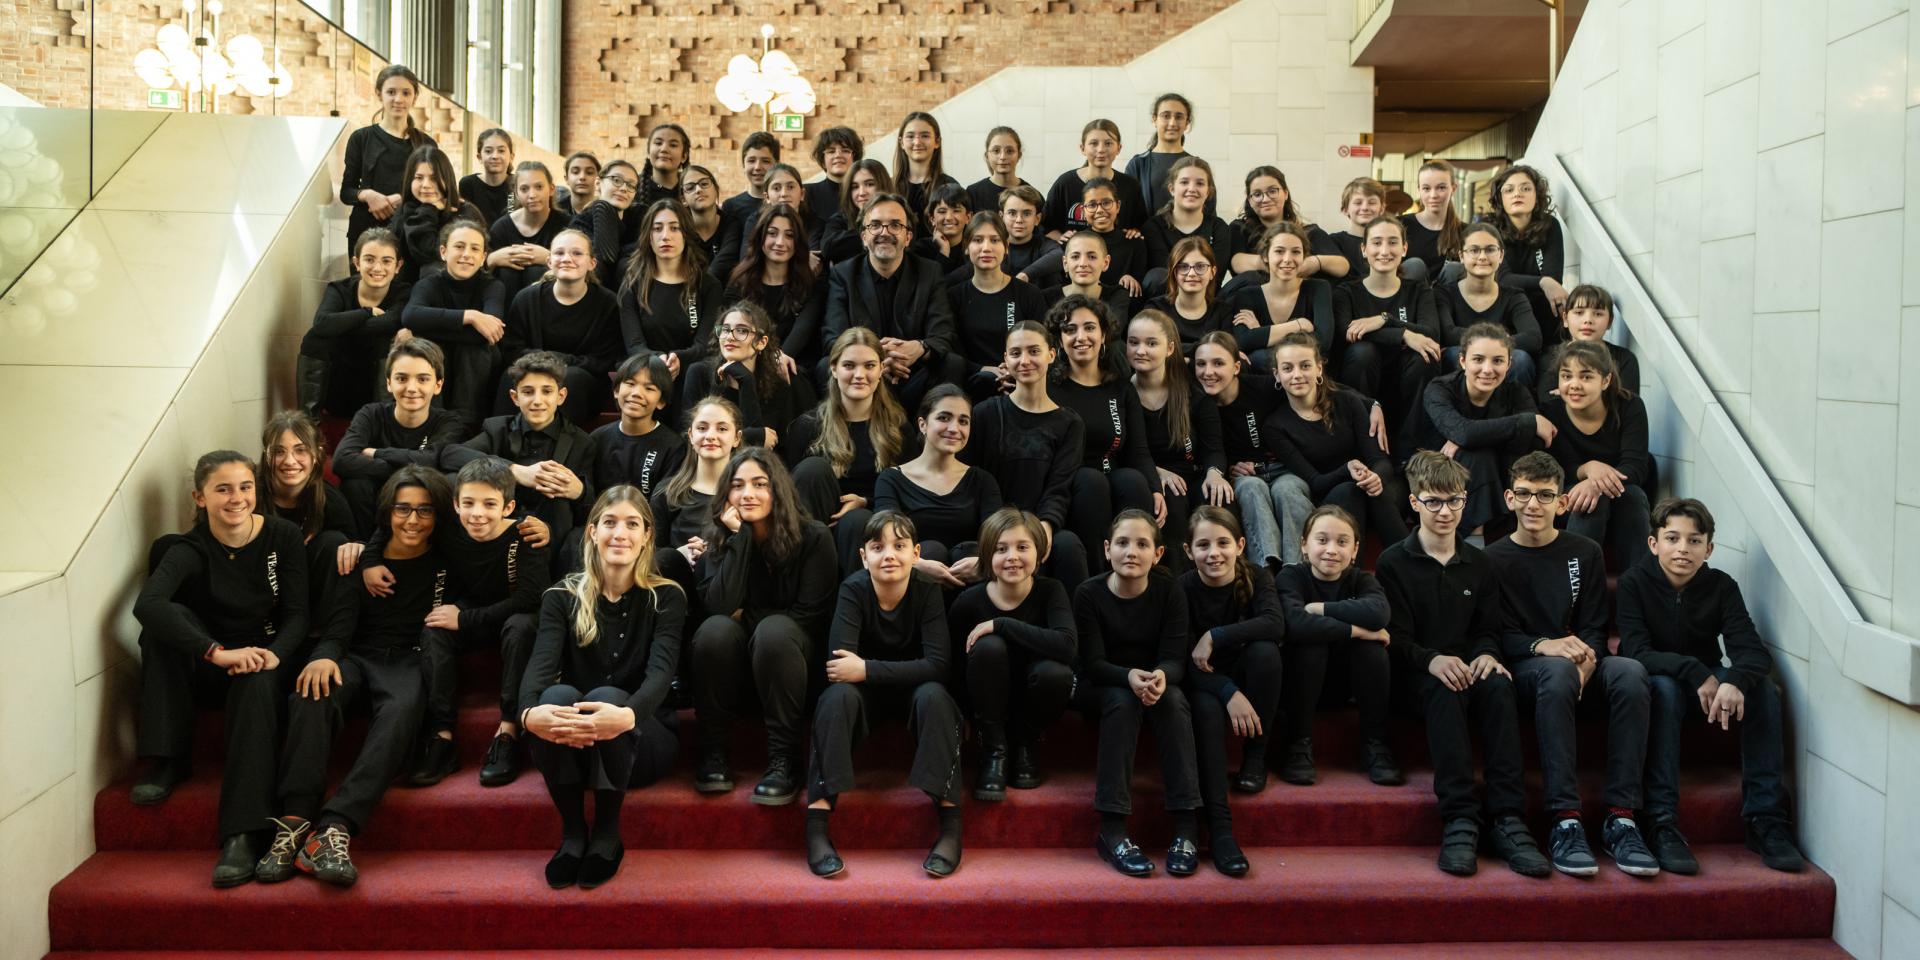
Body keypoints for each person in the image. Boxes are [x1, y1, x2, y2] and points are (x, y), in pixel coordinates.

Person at [260, 466, 453, 888]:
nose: (413, 520)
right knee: (311, 691)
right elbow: (340, 624)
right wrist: (324, 655)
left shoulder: (446, 559)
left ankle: (334, 829)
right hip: (356, 654)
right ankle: (293, 821)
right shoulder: (359, 561)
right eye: (403, 509)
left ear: (439, 516)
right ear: (386, 512)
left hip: (408, 659)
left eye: (425, 510)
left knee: (403, 709)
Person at [132, 451, 309, 887]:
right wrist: (214, 651)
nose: (237, 498)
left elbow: (299, 615)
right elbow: (148, 604)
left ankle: (243, 833)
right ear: (200, 496)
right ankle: (168, 758)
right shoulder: (189, 548)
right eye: (223, 489)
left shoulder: (282, 537)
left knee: (255, 681)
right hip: (212, 663)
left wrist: (275, 654)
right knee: (161, 629)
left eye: (245, 487)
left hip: (265, 661)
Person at [1486, 451, 1658, 878]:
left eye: (1545, 495)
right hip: (1526, 667)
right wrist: (1545, 644)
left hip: (1576, 663)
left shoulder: (1585, 551)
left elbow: (1596, 626)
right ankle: (1565, 818)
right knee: (1559, 670)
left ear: (1562, 504)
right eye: (1524, 494)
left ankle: (1621, 817)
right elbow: (1496, 636)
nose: (1533, 504)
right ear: (1509, 498)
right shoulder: (1490, 560)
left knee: (1632, 672)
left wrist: (1590, 659)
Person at [1375, 451, 1547, 878]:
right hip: (1418, 677)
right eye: (1433, 501)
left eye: (1454, 501)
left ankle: (1508, 819)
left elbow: (1488, 629)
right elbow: (1393, 638)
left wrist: (1487, 654)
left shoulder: (1481, 564)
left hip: (1468, 667)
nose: (1445, 511)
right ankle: (1461, 819)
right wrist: (1432, 661)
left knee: (1499, 685)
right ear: (1414, 502)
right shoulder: (1393, 562)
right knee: (1444, 688)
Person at [1618, 497, 1805, 875]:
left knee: (1765, 691)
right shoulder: (1633, 583)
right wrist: (1693, 670)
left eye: (1694, 540)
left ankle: (1764, 819)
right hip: (1660, 680)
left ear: (1709, 548)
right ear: (1654, 544)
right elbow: (1636, 651)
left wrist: (1734, 678)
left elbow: (1752, 652)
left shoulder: (1721, 586)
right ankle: (1661, 820)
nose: (1683, 549)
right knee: (1666, 691)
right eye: (1672, 538)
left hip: (1705, 683)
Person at [520, 486, 686, 889]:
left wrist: (626, 716)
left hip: (644, 738)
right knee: (555, 698)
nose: (620, 534)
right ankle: (574, 833)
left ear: (647, 535)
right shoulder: (561, 597)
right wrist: (527, 714)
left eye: (632, 524)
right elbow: (539, 670)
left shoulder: (666, 597)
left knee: (607, 699)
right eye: (610, 523)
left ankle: (607, 835)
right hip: (578, 744)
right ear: (592, 532)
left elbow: (660, 676)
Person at [355, 458, 550, 790]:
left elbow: (529, 600)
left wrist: (465, 618)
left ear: (509, 507)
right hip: (473, 610)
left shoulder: (525, 535)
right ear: (456, 504)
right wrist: (369, 560)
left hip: (517, 615)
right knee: (434, 629)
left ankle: (508, 732)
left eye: (490, 504)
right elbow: (389, 525)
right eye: (469, 503)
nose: (477, 513)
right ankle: (442, 735)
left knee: (519, 627)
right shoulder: (450, 528)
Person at [803, 511, 966, 878]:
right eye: (877, 547)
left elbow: (938, 665)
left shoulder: (926, 591)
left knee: (937, 697)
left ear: (916, 552)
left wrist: (867, 669)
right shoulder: (853, 589)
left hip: (914, 694)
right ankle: (817, 826)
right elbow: (838, 668)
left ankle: (950, 828)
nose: (888, 554)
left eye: (899, 546)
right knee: (834, 699)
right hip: (864, 698)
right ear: (864, 556)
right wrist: (868, 672)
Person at [689, 449, 839, 804]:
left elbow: (810, 616)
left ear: (779, 490)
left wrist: (750, 616)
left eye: (760, 484)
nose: (748, 495)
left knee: (775, 631)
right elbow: (721, 608)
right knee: (714, 632)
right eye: (737, 486)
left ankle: (784, 759)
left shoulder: (814, 537)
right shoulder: (722, 538)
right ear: (726, 495)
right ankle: (713, 753)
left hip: (793, 668)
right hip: (738, 674)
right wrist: (739, 539)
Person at [1073, 510, 1202, 877]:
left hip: (1152, 684)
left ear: (1158, 554)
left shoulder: (1169, 590)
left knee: (1175, 698)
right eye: (1123, 543)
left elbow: (1175, 658)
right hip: (1101, 687)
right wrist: (1129, 676)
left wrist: (1160, 675)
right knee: (1121, 699)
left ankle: (1186, 827)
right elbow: (1093, 663)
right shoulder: (1089, 593)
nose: (1132, 551)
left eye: (1142, 544)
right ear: (1107, 549)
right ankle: (1112, 829)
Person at [1179, 506, 1282, 877]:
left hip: (1245, 671)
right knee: (1205, 709)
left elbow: (1274, 624)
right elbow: (1183, 664)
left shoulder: (1256, 576)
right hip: (1203, 683)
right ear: (1188, 551)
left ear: (1240, 545)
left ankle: (1256, 756)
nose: (1214, 553)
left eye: (1223, 543)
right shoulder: (1182, 588)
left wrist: (1215, 635)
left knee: (1266, 653)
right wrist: (1228, 691)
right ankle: (1221, 831)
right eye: (1203, 545)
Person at [947, 508, 1075, 798]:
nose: (1012, 557)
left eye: (1022, 547)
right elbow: (953, 666)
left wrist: (1002, 624)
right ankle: (994, 751)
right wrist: (961, 715)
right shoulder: (968, 602)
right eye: (1001, 549)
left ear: (1039, 552)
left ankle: (1025, 746)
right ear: (987, 557)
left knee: (1055, 673)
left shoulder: (1051, 591)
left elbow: (1067, 647)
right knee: (989, 646)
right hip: (986, 702)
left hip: (1034, 697)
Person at [1275, 505, 1399, 786]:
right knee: (1310, 644)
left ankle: (1375, 745)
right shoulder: (1290, 577)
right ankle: (1298, 744)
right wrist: (1357, 630)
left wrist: (1319, 608)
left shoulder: (1361, 579)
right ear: (1304, 545)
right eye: (1322, 540)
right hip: (1300, 685)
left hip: (1347, 685)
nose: (1331, 549)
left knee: (1372, 651)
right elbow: (1294, 624)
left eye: (1342, 542)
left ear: (1355, 550)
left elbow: (1379, 614)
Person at [962, 323, 1091, 586]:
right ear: (1005, 359)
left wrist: (1043, 530)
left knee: (1067, 545)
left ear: (1051, 355)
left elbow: (1059, 488)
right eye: (1016, 353)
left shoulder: (1069, 423)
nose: (1025, 361)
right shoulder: (984, 413)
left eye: (1034, 351)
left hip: (1037, 524)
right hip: (990, 524)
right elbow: (969, 479)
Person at [785, 327, 919, 572]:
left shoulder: (898, 428)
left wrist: (866, 502)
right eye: (849, 366)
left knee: (858, 521)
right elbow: (789, 493)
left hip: (870, 535)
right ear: (834, 369)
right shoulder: (807, 427)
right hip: (815, 527)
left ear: (881, 370)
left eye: (869, 366)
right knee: (812, 469)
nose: (860, 375)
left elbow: (909, 493)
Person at [818, 192, 959, 411]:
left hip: (913, 373)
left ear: (908, 237)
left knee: (952, 364)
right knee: (823, 367)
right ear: (864, 236)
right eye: (875, 225)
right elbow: (832, 336)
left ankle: (926, 437)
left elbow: (943, 332)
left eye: (895, 225)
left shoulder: (929, 272)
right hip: (863, 372)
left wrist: (920, 347)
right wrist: (877, 358)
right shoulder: (844, 274)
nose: (885, 233)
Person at [443, 351, 598, 549]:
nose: (537, 401)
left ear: (561, 396)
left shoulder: (582, 442)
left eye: (547, 391)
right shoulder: (497, 429)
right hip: (496, 523)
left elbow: (589, 509)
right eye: (528, 392)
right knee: (451, 479)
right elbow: (450, 454)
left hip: (548, 535)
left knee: (560, 501)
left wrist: (581, 492)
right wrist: (515, 471)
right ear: (515, 397)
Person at [1409, 323, 1551, 537]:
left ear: (1509, 364)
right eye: (1478, 359)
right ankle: (1483, 542)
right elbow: (1465, 433)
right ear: (1462, 361)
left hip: (1493, 472)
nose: (1487, 369)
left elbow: (1534, 443)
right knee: (1480, 456)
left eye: (1498, 361)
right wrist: (1524, 421)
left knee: (1499, 458)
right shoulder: (1439, 389)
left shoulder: (1516, 392)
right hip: (1434, 469)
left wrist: (1471, 436)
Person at [1048, 295, 1161, 564]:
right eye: (1069, 329)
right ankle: (1099, 575)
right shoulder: (1048, 388)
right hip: (1073, 482)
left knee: (1133, 480)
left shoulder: (1121, 389)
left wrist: (1155, 488)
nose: (1080, 337)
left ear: (1103, 334)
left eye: (1089, 327)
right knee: (1092, 482)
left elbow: (1138, 450)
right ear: (1059, 340)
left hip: (1112, 474)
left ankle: (1140, 575)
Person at [1260, 332, 1401, 546]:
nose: (1297, 374)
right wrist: (1348, 469)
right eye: (1287, 368)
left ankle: (1410, 567)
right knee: (1349, 491)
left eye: (1305, 366)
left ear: (1319, 368)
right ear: (1277, 375)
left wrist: (1375, 477)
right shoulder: (1275, 426)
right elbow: (1315, 482)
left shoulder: (1347, 402)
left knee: (1376, 491)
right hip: (1331, 494)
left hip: (1370, 488)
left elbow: (1380, 460)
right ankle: (1354, 572)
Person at [332, 338, 466, 530]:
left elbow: (433, 460)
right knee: (355, 484)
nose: (411, 388)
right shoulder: (371, 414)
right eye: (402, 378)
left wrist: (378, 453)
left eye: (423, 379)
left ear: (438, 385)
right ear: (388, 383)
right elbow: (342, 460)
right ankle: (364, 547)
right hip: (377, 499)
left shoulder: (448, 422)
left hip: (423, 499)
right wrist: (414, 468)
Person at [1128, 309, 1231, 558]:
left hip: (1194, 475)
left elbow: (1214, 448)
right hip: (1156, 478)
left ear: (1170, 348)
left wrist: (1215, 474)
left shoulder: (1192, 392)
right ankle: (1177, 580)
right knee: (1170, 501)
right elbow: (1129, 450)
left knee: (1219, 498)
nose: (1141, 350)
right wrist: (1156, 473)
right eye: (1134, 343)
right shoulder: (1123, 394)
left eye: (1151, 343)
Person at [874, 385, 1003, 586]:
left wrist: (984, 564)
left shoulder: (982, 480)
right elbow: (886, 540)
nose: (954, 428)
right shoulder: (891, 479)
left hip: (971, 585)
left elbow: (998, 539)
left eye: (963, 421)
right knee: (932, 550)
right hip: (912, 582)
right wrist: (916, 565)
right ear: (922, 424)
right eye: (944, 418)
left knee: (972, 550)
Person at [1540, 340, 1651, 569]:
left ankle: (1637, 585)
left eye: (1586, 377)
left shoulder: (1630, 406)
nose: (1574, 385)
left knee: (1633, 495)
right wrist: (1587, 469)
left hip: (1620, 494)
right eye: (1566, 376)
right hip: (1567, 499)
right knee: (1590, 500)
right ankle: (1577, 586)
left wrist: (1596, 484)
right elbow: (1553, 470)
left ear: (1606, 381)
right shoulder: (1550, 411)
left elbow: (1636, 466)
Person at [1333, 216, 1443, 447]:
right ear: (1364, 249)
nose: (1385, 250)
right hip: (1362, 381)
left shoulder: (1419, 290)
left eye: (1393, 242)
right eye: (1376, 242)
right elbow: (1347, 332)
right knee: (1362, 351)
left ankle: (1410, 451)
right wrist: (1403, 334)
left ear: (1404, 248)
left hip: (1407, 381)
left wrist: (1385, 320)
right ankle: (1363, 444)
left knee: (1426, 355)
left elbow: (1431, 333)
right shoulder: (1347, 292)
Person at [499, 228, 622, 427]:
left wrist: (559, 362)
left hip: (583, 382)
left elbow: (604, 360)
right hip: (532, 373)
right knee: (510, 377)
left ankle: (560, 448)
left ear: (592, 263)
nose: (566, 258)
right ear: (549, 262)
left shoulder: (608, 304)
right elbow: (512, 350)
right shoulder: (526, 299)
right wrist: (545, 365)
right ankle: (506, 444)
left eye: (577, 253)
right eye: (559, 253)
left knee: (571, 378)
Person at [1191, 332, 1292, 568]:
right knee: (1251, 488)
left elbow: (1324, 391)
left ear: (1237, 367)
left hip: (1280, 467)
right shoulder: (1199, 402)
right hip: (1243, 476)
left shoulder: (1262, 386)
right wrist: (1226, 468)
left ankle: (1296, 570)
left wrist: (1372, 404)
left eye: (1218, 363)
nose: (1208, 372)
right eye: (1201, 364)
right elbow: (1211, 448)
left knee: (1289, 489)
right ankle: (1266, 569)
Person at [259, 412, 360, 641]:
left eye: (300, 450)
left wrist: (355, 547)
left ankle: (320, 635)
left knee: (336, 542)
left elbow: (356, 542)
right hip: (262, 586)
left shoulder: (329, 499)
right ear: (266, 456)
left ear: (317, 455)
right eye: (279, 452)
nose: (290, 461)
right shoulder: (250, 495)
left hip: (308, 592)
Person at [397, 219, 507, 427]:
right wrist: (470, 316)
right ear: (443, 252)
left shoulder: (493, 287)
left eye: (475, 249)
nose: (466, 254)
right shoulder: (428, 284)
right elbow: (410, 316)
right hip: (439, 357)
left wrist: (429, 327)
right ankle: (431, 422)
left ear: (483, 257)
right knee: (428, 347)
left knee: (474, 349)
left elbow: (487, 335)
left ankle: (464, 426)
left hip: (476, 363)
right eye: (459, 246)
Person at [298, 227, 408, 418]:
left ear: (398, 266)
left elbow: (391, 322)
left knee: (385, 339)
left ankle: (385, 424)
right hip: (339, 386)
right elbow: (321, 323)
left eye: (386, 261)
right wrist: (367, 312)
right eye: (369, 259)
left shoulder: (404, 293)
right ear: (356, 263)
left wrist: (342, 325)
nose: (377, 268)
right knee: (314, 339)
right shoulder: (339, 289)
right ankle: (308, 424)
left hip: (377, 388)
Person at [618, 199, 726, 385]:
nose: (665, 236)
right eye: (657, 228)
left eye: (674, 228)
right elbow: (634, 345)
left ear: (686, 234)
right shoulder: (632, 284)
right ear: (648, 236)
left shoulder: (708, 285)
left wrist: (678, 358)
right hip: (646, 369)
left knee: (695, 372)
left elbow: (704, 346)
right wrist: (659, 360)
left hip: (691, 371)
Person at [680, 300, 815, 448]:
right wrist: (753, 435)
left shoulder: (779, 383)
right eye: (725, 329)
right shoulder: (699, 374)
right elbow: (687, 436)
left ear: (761, 342)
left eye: (742, 330)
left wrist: (746, 380)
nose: (730, 337)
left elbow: (770, 448)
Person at [948, 211, 1048, 400]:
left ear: (1006, 247)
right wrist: (984, 369)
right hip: (973, 386)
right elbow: (951, 352)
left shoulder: (1029, 294)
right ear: (967, 247)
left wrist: (1014, 368)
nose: (986, 248)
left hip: (1023, 380)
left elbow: (1043, 345)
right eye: (978, 240)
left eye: (994, 240)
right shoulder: (954, 297)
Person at [650, 396, 742, 595]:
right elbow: (649, 557)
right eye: (702, 428)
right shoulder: (666, 492)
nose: (710, 435)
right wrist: (679, 556)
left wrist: (713, 556)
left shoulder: (747, 497)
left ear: (737, 438)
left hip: (727, 593)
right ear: (691, 436)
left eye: (722, 429)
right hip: (678, 591)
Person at [340, 64, 435, 252]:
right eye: (391, 92)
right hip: (364, 233)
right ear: (379, 94)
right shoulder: (361, 138)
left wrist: (401, 198)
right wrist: (368, 195)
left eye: (406, 93)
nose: (398, 99)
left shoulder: (427, 144)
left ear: (414, 97)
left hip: (410, 233)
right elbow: (346, 191)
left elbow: (436, 191)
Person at [1436, 221, 1542, 389]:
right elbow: (1446, 334)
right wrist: (1499, 341)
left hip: (1501, 364)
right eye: (1474, 250)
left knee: (1520, 360)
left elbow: (1533, 337)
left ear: (1501, 255)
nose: (1482, 256)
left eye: (1490, 249)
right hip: (1462, 366)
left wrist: (1489, 349)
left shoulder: (1514, 296)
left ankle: (1511, 412)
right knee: (1452, 355)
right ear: (1461, 256)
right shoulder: (1444, 294)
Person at [726, 202, 826, 374]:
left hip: (794, 368)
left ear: (798, 242)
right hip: (747, 363)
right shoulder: (739, 282)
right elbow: (732, 331)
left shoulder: (812, 285)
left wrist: (776, 361)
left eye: (789, 235)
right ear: (761, 237)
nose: (780, 242)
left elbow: (802, 332)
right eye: (772, 233)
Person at [1219, 222, 1335, 366]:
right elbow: (1242, 341)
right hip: (1261, 380)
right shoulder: (1246, 295)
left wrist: (1260, 332)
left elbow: (1323, 342)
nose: (1287, 259)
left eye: (1296, 252)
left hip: (1307, 376)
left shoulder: (1319, 288)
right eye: (1279, 251)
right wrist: (1298, 325)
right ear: (1266, 256)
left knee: (1261, 355)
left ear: (1304, 256)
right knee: (1259, 358)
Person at [1484, 164, 1568, 337]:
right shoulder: (1489, 228)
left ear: (1537, 195)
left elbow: (1554, 281)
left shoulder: (1550, 225)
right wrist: (1542, 282)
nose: (1517, 194)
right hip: (1502, 312)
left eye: (1526, 188)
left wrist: (1547, 283)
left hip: (1542, 312)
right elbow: (1502, 279)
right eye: (1509, 190)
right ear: (1500, 199)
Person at [1226, 166, 1344, 282]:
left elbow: (1342, 266)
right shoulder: (1240, 228)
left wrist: (1315, 262)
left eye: (1272, 191)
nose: (1265, 199)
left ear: (1286, 193)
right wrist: (1282, 265)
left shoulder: (1308, 231)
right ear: (1250, 200)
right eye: (1257, 194)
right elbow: (1237, 262)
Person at [592, 354, 684, 501]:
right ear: (616, 391)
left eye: (649, 388)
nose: (637, 393)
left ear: (661, 401)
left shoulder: (673, 447)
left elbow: (663, 504)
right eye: (630, 383)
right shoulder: (598, 438)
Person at [1142, 157, 1238, 297]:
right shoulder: (1154, 227)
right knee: (1156, 276)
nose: (1192, 189)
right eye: (1184, 182)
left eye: (1200, 183)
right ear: (1172, 189)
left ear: (1208, 192)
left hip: (1206, 301)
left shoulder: (1219, 228)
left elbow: (1215, 277)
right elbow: (1165, 277)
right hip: (1167, 302)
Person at [1043, 119, 1148, 237]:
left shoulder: (1130, 186)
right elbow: (1046, 226)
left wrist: (1135, 232)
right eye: (1094, 143)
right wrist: (1061, 240)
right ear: (1082, 148)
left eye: (1108, 143)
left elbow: (1141, 226)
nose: (1101, 149)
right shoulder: (1065, 183)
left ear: (1119, 148)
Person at [395, 146, 484, 284]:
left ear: (446, 179)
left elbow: (430, 253)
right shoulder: (406, 210)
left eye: (434, 178)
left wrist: (427, 210)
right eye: (419, 177)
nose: (426, 185)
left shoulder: (464, 212)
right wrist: (429, 208)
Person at [1543, 283, 1639, 400]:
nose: (1588, 320)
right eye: (1579, 313)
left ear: (1609, 321)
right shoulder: (1551, 357)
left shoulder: (1625, 359)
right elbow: (1549, 402)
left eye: (1598, 314)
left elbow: (1628, 404)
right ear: (1565, 318)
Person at [487, 161, 567, 301]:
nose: (532, 195)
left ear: (552, 189)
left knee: (536, 271)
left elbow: (580, 265)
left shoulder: (566, 225)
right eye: (524, 189)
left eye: (539, 187)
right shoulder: (501, 228)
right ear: (516, 194)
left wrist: (549, 258)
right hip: (507, 303)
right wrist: (491, 259)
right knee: (507, 272)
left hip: (552, 303)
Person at [1144, 236, 1233, 352]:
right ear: (1174, 273)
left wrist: (1181, 354)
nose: (1191, 273)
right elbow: (1153, 349)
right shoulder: (1156, 309)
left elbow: (1227, 352)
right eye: (1183, 267)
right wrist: (1204, 349)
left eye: (1200, 266)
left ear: (1212, 272)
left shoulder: (1223, 311)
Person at [1124, 93, 1207, 216]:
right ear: (1154, 119)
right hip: (1148, 234)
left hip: (1189, 234)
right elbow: (1128, 209)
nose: (1172, 123)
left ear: (1187, 122)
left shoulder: (1198, 166)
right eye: (1166, 116)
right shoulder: (1138, 164)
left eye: (1179, 117)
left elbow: (1208, 211)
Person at [716, 132, 781, 278]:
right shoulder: (731, 206)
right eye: (751, 160)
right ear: (743, 165)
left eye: (765, 161)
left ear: (776, 164)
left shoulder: (783, 204)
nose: (758, 167)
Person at [570, 158, 641, 287]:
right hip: (596, 293)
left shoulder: (639, 215)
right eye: (616, 180)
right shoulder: (581, 222)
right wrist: (602, 208)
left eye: (631, 185)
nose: (624, 188)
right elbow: (603, 259)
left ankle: (691, 307)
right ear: (598, 183)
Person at [1039, 231, 1133, 323]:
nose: (1083, 264)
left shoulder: (1117, 296)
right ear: (1065, 263)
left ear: (1106, 263)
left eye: (1092, 257)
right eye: (1075, 257)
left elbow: (1113, 331)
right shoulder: (1045, 297)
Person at [892, 112, 960, 232]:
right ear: (901, 142)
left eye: (925, 136)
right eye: (910, 136)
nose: (917, 142)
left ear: (937, 142)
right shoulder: (888, 186)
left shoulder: (950, 186)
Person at [818, 158, 892, 267]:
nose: (861, 193)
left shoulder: (900, 216)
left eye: (869, 184)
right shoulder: (840, 219)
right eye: (855, 187)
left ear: (883, 185)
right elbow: (828, 248)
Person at [1401, 159, 1464, 280]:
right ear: (1419, 190)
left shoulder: (1465, 232)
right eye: (1426, 188)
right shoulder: (1400, 225)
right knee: (1414, 266)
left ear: (1453, 189)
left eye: (1441, 188)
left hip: (1448, 297)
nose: (1433, 195)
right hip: (1410, 296)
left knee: (1454, 268)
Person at [679, 164, 736, 279]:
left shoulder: (732, 225)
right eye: (690, 187)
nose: (698, 190)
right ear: (683, 199)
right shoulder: (678, 229)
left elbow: (722, 266)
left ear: (716, 189)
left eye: (704, 184)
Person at [1326, 177, 1387, 282]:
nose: (1365, 207)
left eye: (1372, 202)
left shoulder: (1391, 242)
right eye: (1358, 203)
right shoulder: (1333, 242)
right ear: (1345, 209)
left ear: (1382, 208)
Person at [996, 184, 1062, 281]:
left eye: (1026, 213)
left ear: (1037, 219)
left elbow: (1060, 255)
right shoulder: (994, 246)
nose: (1019, 220)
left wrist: (1024, 275)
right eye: (1012, 213)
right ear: (1002, 217)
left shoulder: (1045, 245)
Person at [805, 125, 865, 223]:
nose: (838, 155)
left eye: (845, 150)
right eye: (831, 151)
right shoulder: (807, 194)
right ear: (823, 160)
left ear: (855, 158)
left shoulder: (864, 193)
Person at [965, 126, 1030, 215]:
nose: (1002, 157)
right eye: (996, 151)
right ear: (987, 155)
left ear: (1019, 155)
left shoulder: (1030, 194)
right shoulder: (973, 193)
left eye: (1009, 151)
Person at [911, 183, 971, 277]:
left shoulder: (973, 249)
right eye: (942, 211)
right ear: (932, 219)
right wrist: (944, 252)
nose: (949, 217)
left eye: (956, 211)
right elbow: (930, 285)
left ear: (968, 217)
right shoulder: (920, 250)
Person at [459, 128, 515, 226]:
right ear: (479, 157)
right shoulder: (468, 184)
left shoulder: (518, 184)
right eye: (488, 151)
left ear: (511, 157)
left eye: (501, 151)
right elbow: (465, 222)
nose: (495, 156)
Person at [637, 122, 691, 209]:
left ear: (684, 156)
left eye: (673, 145)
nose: (664, 149)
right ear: (648, 152)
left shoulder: (693, 190)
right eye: (658, 143)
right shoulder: (631, 188)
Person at [550, 150, 600, 219]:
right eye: (575, 172)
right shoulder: (555, 211)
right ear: (566, 178)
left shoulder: (605, 211)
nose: (582, 177)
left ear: (598, 179)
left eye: (589, 172)